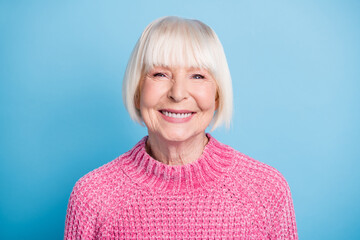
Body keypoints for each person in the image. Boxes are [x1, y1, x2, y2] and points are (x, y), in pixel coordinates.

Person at [64, 16, 298, 239]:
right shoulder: (92, 197)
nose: (177, 94)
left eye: (197, 76)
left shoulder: (267, 191)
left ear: (217, 96)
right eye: (160, 74)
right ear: (137, 92)